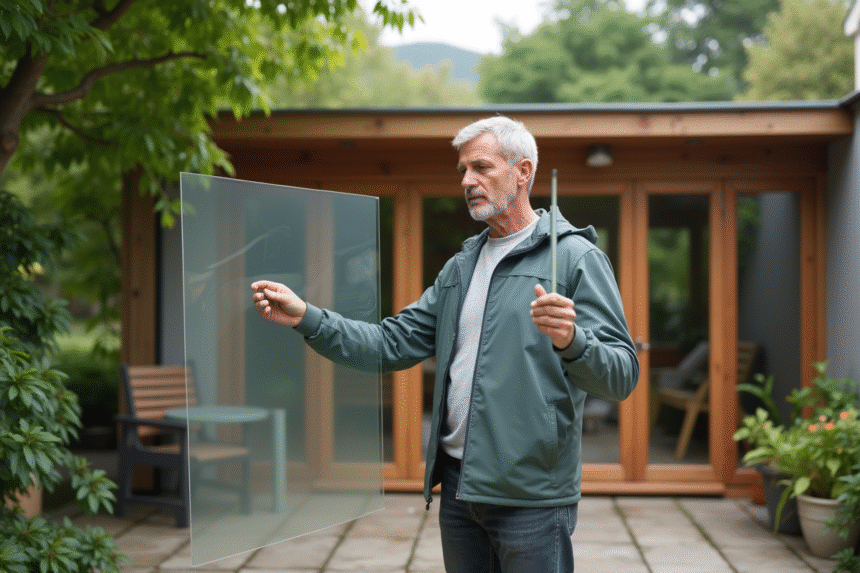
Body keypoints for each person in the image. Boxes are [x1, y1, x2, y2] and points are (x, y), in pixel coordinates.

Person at [252, 116, 639, 573]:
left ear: (523, 172)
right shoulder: (460, 267)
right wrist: (307, 317)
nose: (467, 181)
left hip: (531, 500)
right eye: (462, 170)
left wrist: (573, 340)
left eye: (481, 167)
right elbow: (388, 343)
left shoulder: (575, 258)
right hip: (458, 489)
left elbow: (621, 375)